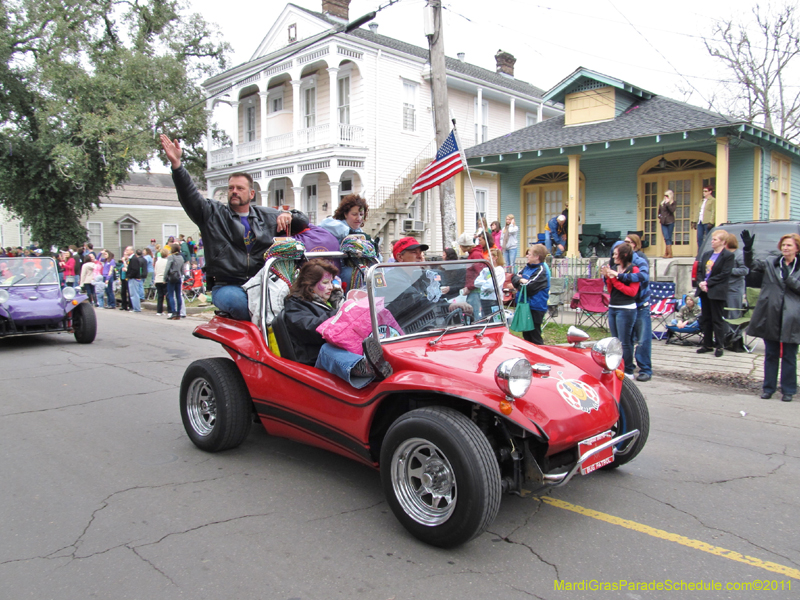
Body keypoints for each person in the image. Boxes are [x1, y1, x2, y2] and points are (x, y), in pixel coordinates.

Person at [160, 134, 293, 320]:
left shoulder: (267, 216)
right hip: (227, 285)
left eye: (240, 188)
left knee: (294, 304)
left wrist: (289, 215)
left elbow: (302, 222)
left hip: (262, 282)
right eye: (231, 188)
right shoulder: (212, 214)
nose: (234, 192)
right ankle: (254, 344)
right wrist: (177, 166)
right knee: (241, 304)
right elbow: (189, 196)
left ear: (252, 193)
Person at [282, 259, 388, 389]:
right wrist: (340, 312)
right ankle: (366, 369)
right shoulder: (295, 305)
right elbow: (310, 329)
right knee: (327, 350)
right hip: (314, 358)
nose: (331, 287)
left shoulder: (333, 300)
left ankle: (379, 361)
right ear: (310, 286)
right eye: (325, 283)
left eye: (331, 282)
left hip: (341, 347)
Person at [742, 231, 800, 402]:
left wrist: (789, 278)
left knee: (789, 354)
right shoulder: (771, 263)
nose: (785, 248)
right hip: (771, 314)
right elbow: (751, 264)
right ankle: (769, 388)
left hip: (792, 316)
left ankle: (788, 390)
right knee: (771, 353)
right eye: (783, 245)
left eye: (789, 245)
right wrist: (747, 249)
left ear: (797, 248)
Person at [601, 243, 640, 378]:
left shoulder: (633, 270)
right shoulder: (614, 268)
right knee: (615, 341)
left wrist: (615, 279)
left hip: (626, 309)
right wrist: (608, 278)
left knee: (625, 341)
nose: (613, 257)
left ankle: (628, 370)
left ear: (624, 255)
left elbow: (632, 292)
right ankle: (616, 367)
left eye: (616, 254)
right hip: (613, 307)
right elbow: (612, 291)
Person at [617, 234, 652, 382]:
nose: (626, 244)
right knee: (626, 339)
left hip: (640, 305)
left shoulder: (640, 260)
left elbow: (643, 276)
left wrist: (622, 277)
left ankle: (645, 369)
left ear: (636, 245)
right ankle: (628, 368)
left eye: (629, 242)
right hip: (625, 306)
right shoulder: (619, 263)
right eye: (624, 242)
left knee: (643, 339)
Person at [696, 230, 734, 356]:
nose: (712, 241)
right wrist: (701, 282)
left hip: (716, 290)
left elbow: (724, 274)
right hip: (704, 290)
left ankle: (719, 345)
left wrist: (708, 283)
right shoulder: (707, 254)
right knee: (706, 318)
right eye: (712, 239)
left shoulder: (727, 256)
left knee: (717, 319)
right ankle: (707, 344)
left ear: (723, 242)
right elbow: (700, 270)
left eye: (715, 239)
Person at [511, 245, 550, 344]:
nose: (527, 256)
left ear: (537, 257)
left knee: (535, 335)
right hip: (525, 305)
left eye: (529, 254)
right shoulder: (527, 267)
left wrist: (519, 283)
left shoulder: (541, 270)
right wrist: (520, 280)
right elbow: (513, 277)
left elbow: (529, 287)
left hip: (536, 307)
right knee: (526, 335)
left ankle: (540, 356)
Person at [457, 232, 484, 319]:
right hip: (473, 289)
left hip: (475, 291)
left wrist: (469, 287)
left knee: (475, 316)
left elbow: (479, 274)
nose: (460, 247)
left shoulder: (475, 255)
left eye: (461, 245)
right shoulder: (473, 254)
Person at [475, 248, 506, 318]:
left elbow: (492, 285)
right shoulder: (485, 270)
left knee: (494, 320)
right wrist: (486, 283)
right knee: (484, 319)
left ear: (495, 258)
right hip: (484, 299)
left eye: (490, 256)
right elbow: (476, 282)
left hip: (494, 300)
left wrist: (483, 285)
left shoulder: (499, 270)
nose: (487, 258)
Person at [165, 243, 185, 320]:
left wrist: (164, 278)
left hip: (171, 277)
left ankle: (173, 312)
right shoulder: (181, 257)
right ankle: (178, 313)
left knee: (171, 295)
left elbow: (167, 268)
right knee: (178, 295)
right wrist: (181, 275)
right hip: (178, 277)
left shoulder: (171, 257)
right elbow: (182, 269)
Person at [694, 185, 716, 250]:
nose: (704, 192)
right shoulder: (702, 200)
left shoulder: (713, 200)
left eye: (706, 191)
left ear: (710, 192)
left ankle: (708, 251)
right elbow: (698, 211)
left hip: (707, 221)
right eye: (703, 191)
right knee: (699, 237)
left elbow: (713, 211)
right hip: (700, 221)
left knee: (708, 238)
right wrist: (695, 221)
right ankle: (700, 252)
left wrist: (711, 222)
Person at [658, 189, 676, 258]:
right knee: (666, 237)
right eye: (665, 195)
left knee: (669, 237)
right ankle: (667, 253)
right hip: (663, 222)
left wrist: (668, 203)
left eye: (667, 195)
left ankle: (669, 253)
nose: (665, 197)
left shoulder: (673, 203)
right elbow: (659, 211)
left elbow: (672, 210)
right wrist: (659, 216)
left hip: (670, 221)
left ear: (670, 196)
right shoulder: (662, 203)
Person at [154, 246, 169, 315]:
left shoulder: (157, 262)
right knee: (167, 296)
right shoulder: (167, 262)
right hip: (164, 280)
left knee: (160, 296)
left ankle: (159, 311)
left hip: (158, 279)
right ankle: (170, 311)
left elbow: (155, 271)